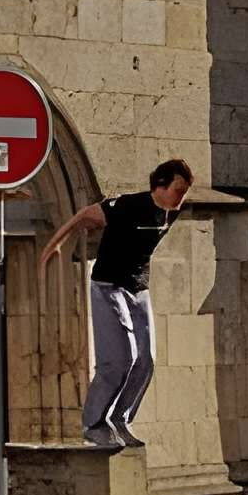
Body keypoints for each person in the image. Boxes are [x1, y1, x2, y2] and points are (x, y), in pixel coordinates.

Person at [39, 158, 195, 452]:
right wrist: (54, 245)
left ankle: (120, 419)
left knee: (146, 360)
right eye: (177, 190)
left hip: (138, 289)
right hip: (108, 286)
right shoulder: (127, 206)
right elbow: (84, 215)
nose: (181, 198)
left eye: (185, 192)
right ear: (159, 186)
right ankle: (93, 424)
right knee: (119, 359)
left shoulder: (172, 212)